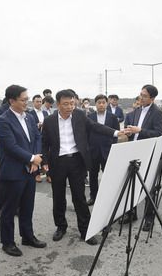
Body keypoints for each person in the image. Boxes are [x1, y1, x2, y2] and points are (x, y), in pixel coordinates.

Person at [41, 89, 121, 245]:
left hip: (77, 161)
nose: (70, 106)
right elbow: (44, 143)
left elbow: (96, 127)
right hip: (58, 162)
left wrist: (116, 133)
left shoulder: (79, 116)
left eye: (72, 103)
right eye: (65, 104)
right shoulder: (49, 121)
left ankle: (86, 231)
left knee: (80, 198)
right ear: (58, 104)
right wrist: (45, 161)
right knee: (58, 197)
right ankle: (61, 227)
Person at [0, 85, 46, 257]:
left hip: (30, 170)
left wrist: (36, 157)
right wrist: (32, 159)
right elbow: (11, 146)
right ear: (12, 100)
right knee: (9, 209)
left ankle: (27, 236)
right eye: (23, 100)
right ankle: (7, 242)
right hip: (13, 171)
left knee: (27, 206)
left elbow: (37, 137)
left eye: (27, 99)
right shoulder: (3, 120)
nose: (27, 102)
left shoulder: (29, 118)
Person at [123, 85, 162, 230]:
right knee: (131, 185)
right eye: (140, 94)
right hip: (133, 152)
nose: (141, 98)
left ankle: (149, 218)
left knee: (149, 187)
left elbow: (159, 133)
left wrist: (140, 130)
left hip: (148, 153)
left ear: (152, 98)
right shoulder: (135, 112)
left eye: (145, 96)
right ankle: (131, 213)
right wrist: (129, 132)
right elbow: (131, 131)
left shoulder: (157, 113)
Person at [87, 94, 120, 206]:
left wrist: (113, 148)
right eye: (99, 102)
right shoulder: (90, 117)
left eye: (103, 102)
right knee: (92, 176)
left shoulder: (113, 117)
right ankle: (93, 196)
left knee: (108, 175)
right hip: (93, 151)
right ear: (95, 104)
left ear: (107, 103)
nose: (101, 104)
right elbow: (87, 134)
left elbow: (116, 134)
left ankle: (108, 197)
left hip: (107, 151)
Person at [0, 98, 10, 218]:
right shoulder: (0, 110)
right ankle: (0, 207)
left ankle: (14, 206)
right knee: (3, 179)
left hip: (21, 151)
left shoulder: (25, 112)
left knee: (16, 181)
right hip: (5, 150)